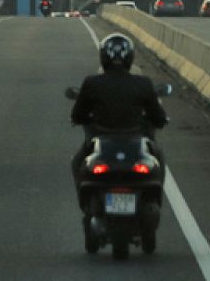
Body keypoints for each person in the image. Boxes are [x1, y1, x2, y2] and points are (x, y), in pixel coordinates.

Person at [69, 34, 168, 209]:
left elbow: (78, 115)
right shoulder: (143, 83)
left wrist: (84, 119)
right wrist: (159, 121)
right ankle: (156, 201)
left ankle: (84, 205)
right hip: (135, 139)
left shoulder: (92, 83)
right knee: (158, 157)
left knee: (78, 162)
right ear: (130, 58)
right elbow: (158, 116)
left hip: (101, 138)